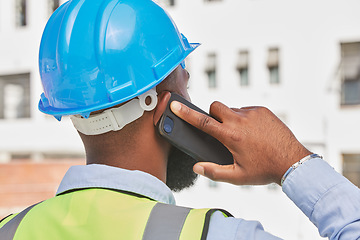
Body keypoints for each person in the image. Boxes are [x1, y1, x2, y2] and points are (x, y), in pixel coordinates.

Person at [0, 0, 359, 239]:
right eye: (184, 78)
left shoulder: (10, 229)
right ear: (164, 105)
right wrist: (291, 162)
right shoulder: (217, 235)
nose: (189, 92)